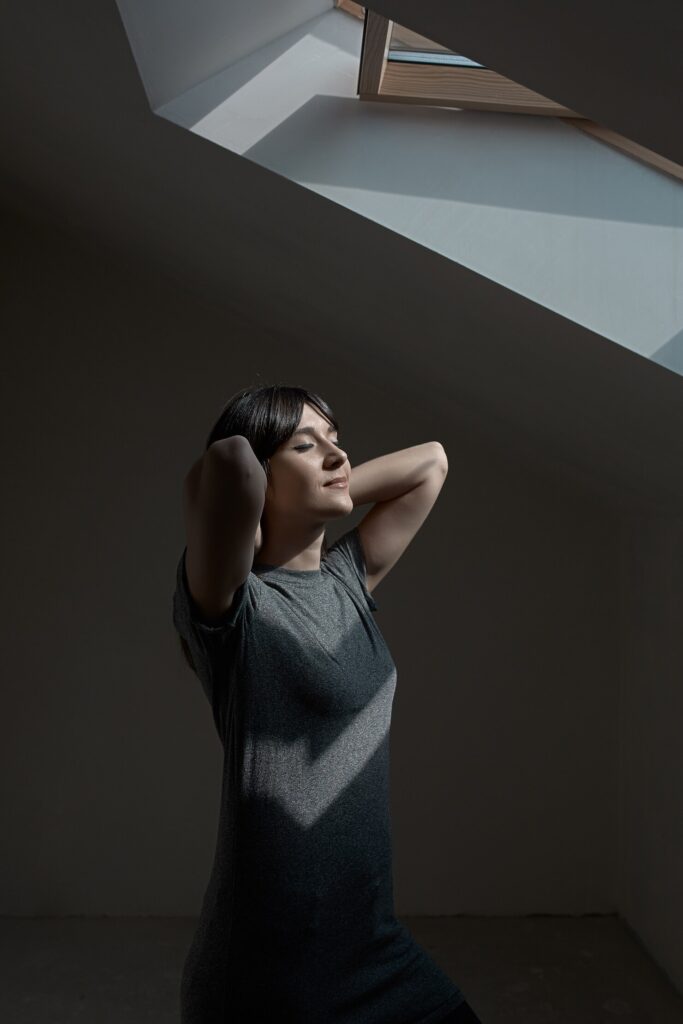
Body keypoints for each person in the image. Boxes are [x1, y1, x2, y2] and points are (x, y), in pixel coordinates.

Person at [172, 383, 482, 1023]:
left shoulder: (348, 583)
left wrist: (322, 483)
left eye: (337, 441)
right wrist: (279, 500)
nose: (338, 456)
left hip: (370, 945)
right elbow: (229, 461)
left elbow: (431, 461)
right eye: (305, 446)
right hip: (266, 974)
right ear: (263, 479)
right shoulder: (234, 608)